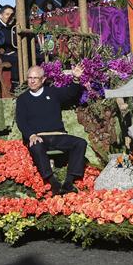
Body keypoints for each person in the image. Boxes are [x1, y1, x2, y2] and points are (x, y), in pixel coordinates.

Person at [15, 63, 87, 196]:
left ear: (43, 79)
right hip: (38, 136)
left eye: (35, 78)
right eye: (29, 78)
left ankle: (69, 182)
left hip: (58, 135)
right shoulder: (22, 99)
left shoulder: (52, 92)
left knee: (80, 143)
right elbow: (21, 121)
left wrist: (76, 79)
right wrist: (30, 135)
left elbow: (70, 94)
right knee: (36, 146)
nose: (31, 81)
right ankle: (53, 183)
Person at [0, 5, 18, 82]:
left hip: (13, 53)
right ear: (0, 15)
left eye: (12, 15)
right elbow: (2, 43)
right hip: (0, 55)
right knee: (17, 59)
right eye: (7, 14)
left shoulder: (14, 27)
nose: (10, 17)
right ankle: (15, 83)